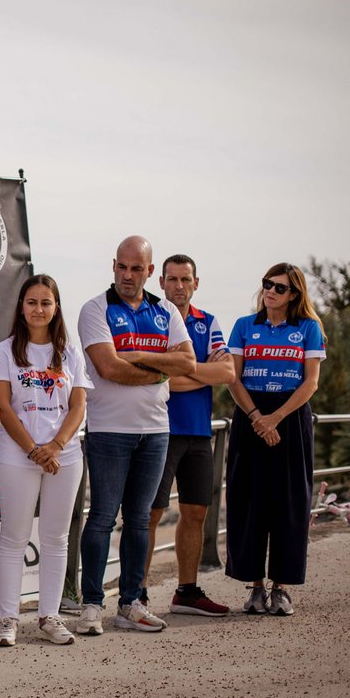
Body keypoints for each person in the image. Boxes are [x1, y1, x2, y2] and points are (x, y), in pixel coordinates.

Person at [75, 235, 195, 635]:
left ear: (149, 271)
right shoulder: (95, 309)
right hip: (109, 430)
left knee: (140, 520)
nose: (127, 275)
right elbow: (109, 368)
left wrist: (141, 357)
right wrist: (163, 368)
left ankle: (131, 603)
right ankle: (91, 603)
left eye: (136, 268)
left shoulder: (165, 312)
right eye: (122, 267)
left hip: (156, 430)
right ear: (113, 266)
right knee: (103, 518)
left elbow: (187, 362)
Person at [0, 274, 89, 647]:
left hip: (65, 456)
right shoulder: (4, 351)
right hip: (18, 455)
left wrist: (57, 446)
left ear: (56, 307)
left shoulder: (71, 353)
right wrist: (33, 449)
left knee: (56, 538)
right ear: (22, 306)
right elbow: (3, 406)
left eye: (46, 302)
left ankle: (50, 616)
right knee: (13, 538)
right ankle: (7, 620)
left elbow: (78, 405)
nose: (39, 309)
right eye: (32, 302)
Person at [225, 263, 325, 616]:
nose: (270, 291)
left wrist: (276, 418)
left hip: (290, 417)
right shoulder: (243, 326)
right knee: (249, 500)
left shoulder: (309, 329)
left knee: (289, 503)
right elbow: (232, 378)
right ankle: (254, 587)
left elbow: (310, 382)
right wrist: (257, 418)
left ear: (294, 294)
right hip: (250, 415)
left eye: (279, 288)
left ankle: (281, 587)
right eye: (268, 284)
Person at [142, 255, 235, 616]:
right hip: (158, 430)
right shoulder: (150, 320)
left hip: (198, 432)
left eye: (186, 279)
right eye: (172, 279)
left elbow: (227, 373)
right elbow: (156, 377)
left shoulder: (207, 322)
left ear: (196, 283)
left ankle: (186, 591)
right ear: (161, 282)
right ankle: (139, 592)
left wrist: (182, 372)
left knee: (195, 512)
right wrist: (200, 373)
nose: (179, 286)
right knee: (150, 514)